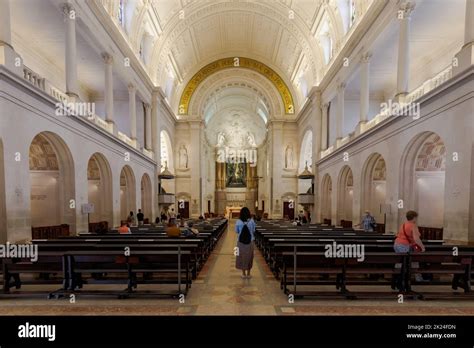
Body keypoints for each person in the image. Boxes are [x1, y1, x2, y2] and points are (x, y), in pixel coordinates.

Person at [394, 210, 426, 283]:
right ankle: (403, 280)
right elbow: (416, 239)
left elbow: (398, 234)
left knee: (400, 261)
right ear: (414, 217)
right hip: (404, 246)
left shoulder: (403, 224)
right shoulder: (413, 226)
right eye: (416, 218)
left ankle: (396, 278)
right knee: (411, 261)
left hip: (397, 244)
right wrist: (422, 247)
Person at [235, 207, 256, 279]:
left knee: (241, 256)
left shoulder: (238, 221)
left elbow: (236, 231)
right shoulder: (252, 221)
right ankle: (249, 274)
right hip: (250, 241)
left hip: (240, 241)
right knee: (249, 257)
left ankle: (243, 274)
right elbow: (253, 230)